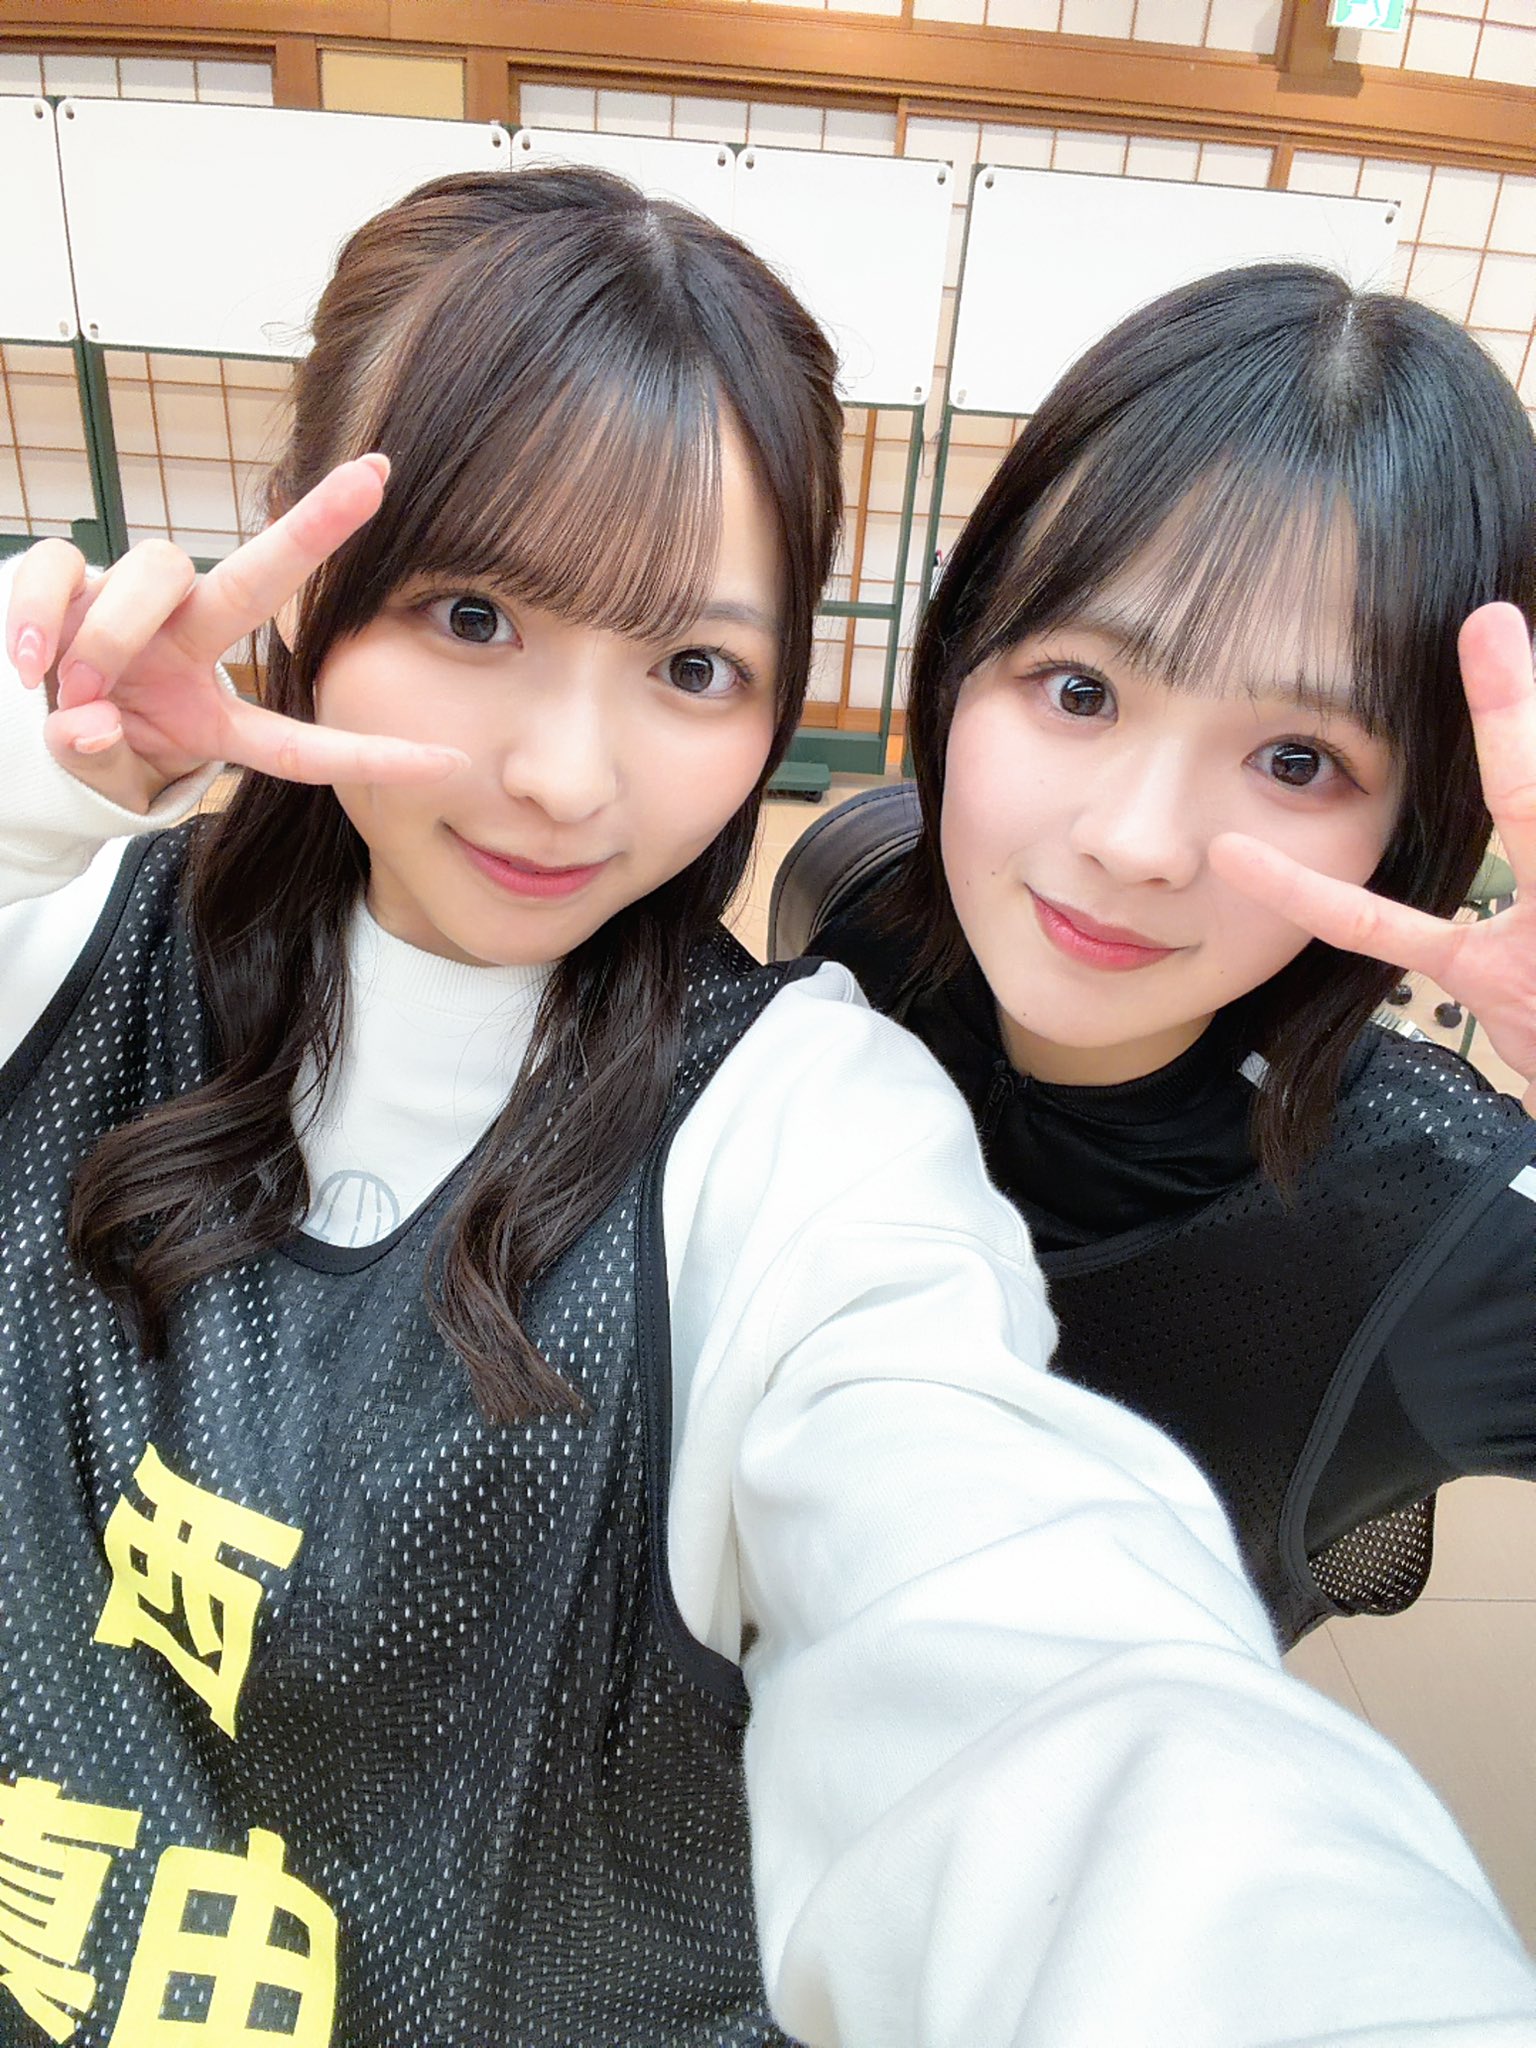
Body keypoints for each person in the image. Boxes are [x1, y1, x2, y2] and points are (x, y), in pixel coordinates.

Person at [1, 179, 1533, 2048]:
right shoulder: (871, 887)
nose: (566, 779)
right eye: (473, 612)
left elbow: (1032, 1654)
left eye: (690, 667)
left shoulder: (822, 1119)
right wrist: (26, 787)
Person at [795, 261, 1536, 1651]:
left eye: (1298, 759)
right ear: (957, 666)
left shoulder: (1433, 1224)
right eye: (1080, 690)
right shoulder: (862, 912)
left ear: (1410, 824)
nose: (1138, 842)